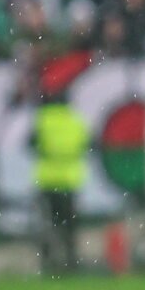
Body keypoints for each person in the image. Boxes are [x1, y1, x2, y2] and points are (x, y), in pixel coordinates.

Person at [33, 89, 90, 274]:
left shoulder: (44, 119)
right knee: (70, 225)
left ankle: (48, 262)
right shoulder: (76, 120)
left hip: (48, 179)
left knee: (49, 223)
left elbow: (31, 143)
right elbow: (86, 144)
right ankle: (71, 261)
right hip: (70, 179)